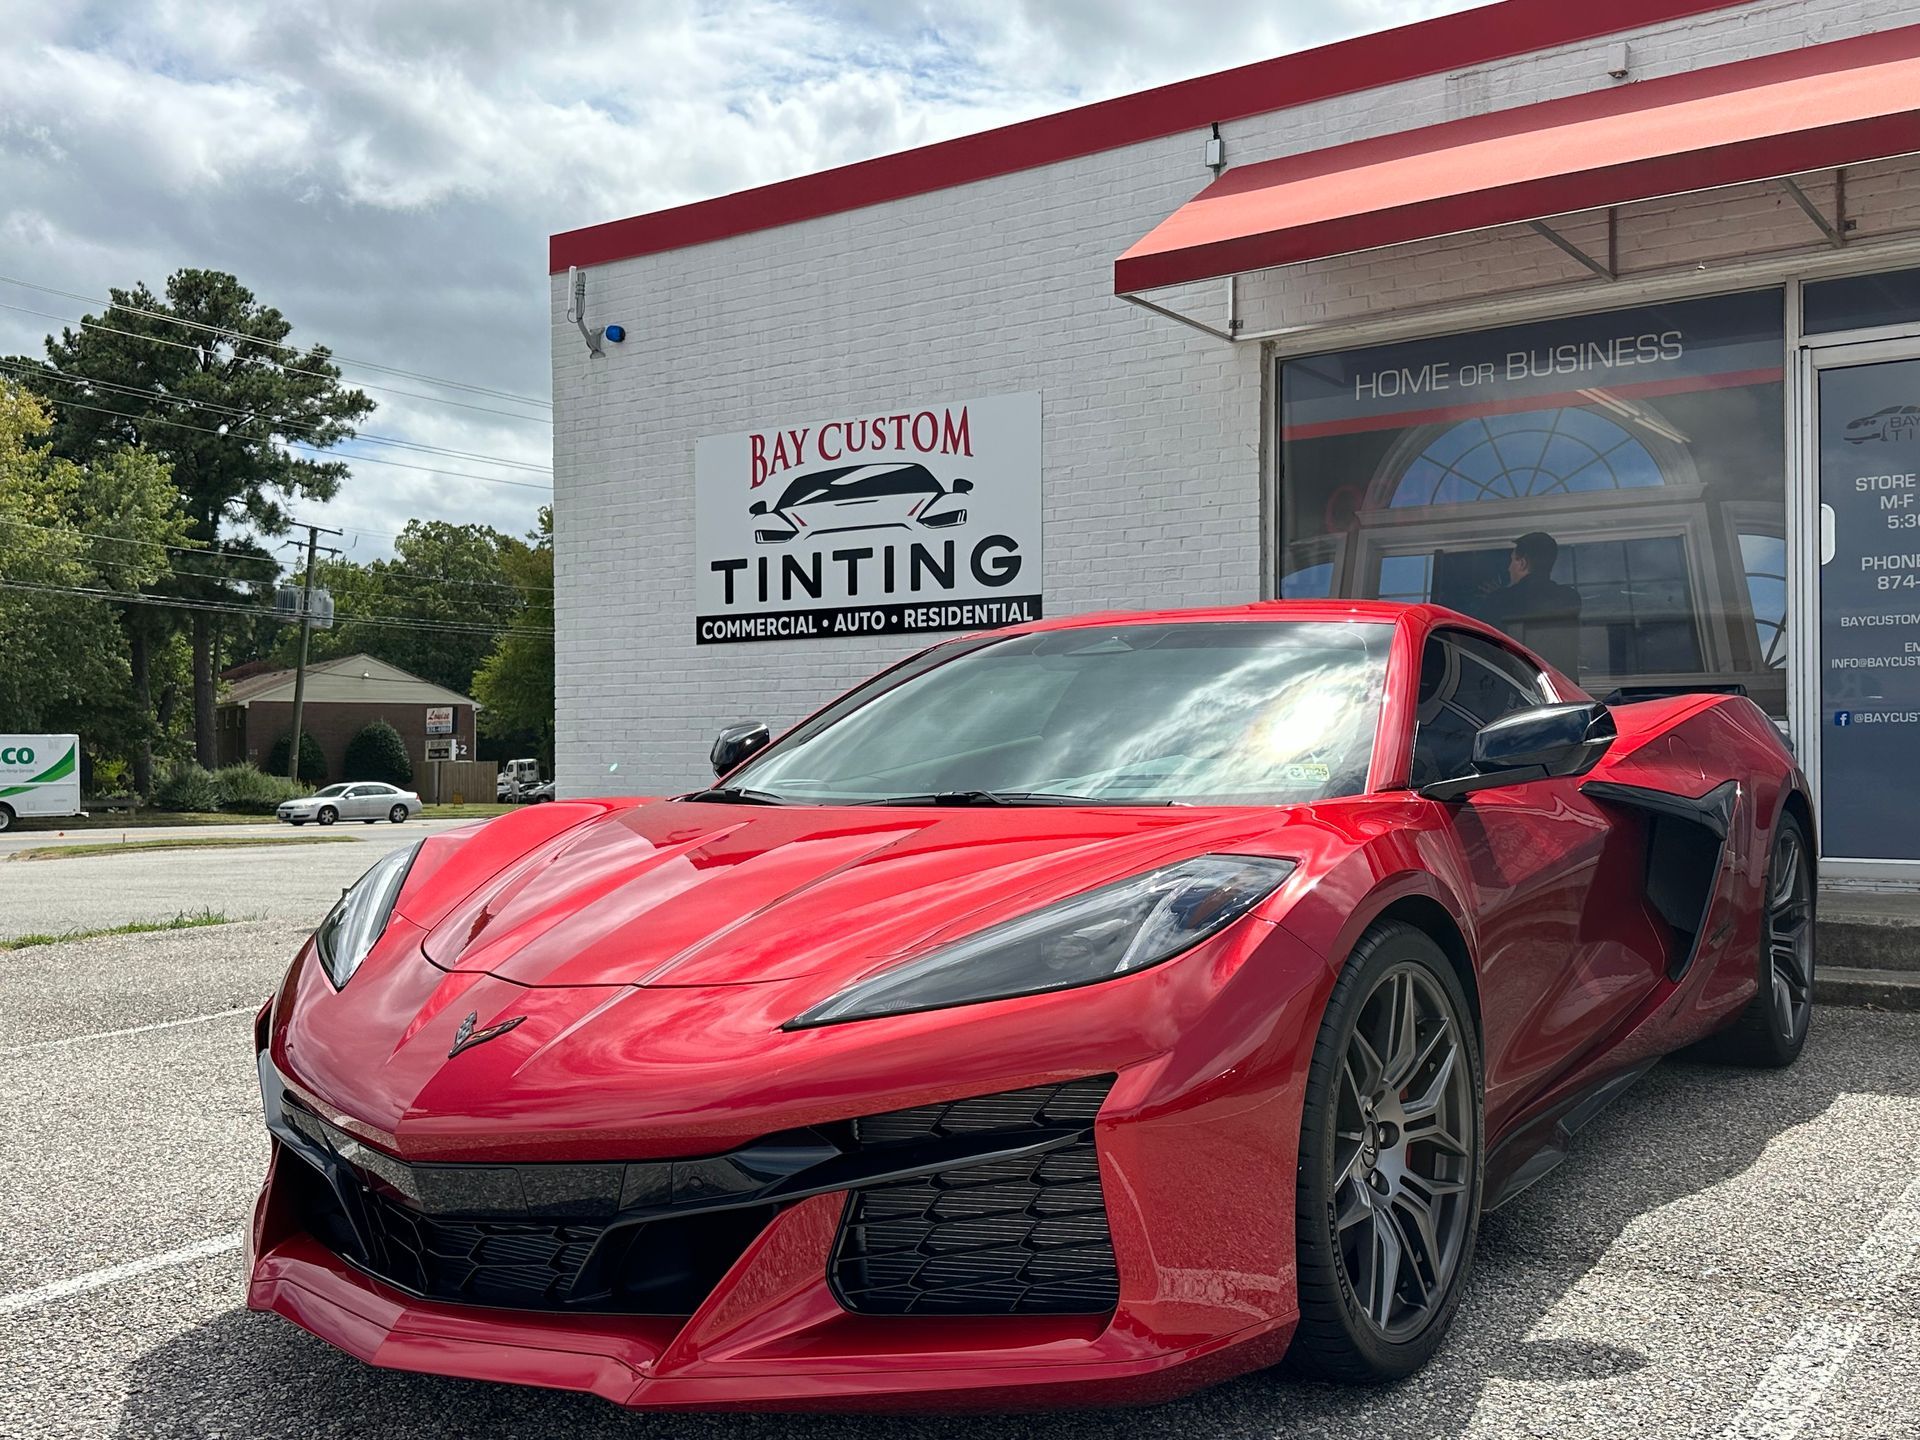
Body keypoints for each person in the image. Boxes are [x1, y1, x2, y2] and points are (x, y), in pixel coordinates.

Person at [1476, 531, 1583, 676]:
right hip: (1563, 686)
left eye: (1512, 560)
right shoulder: (1570, 597)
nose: (1509, 568)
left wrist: (1499, 596)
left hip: (1519, 686)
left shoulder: (1499, 601)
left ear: (1522, 563)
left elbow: (1482, 647)